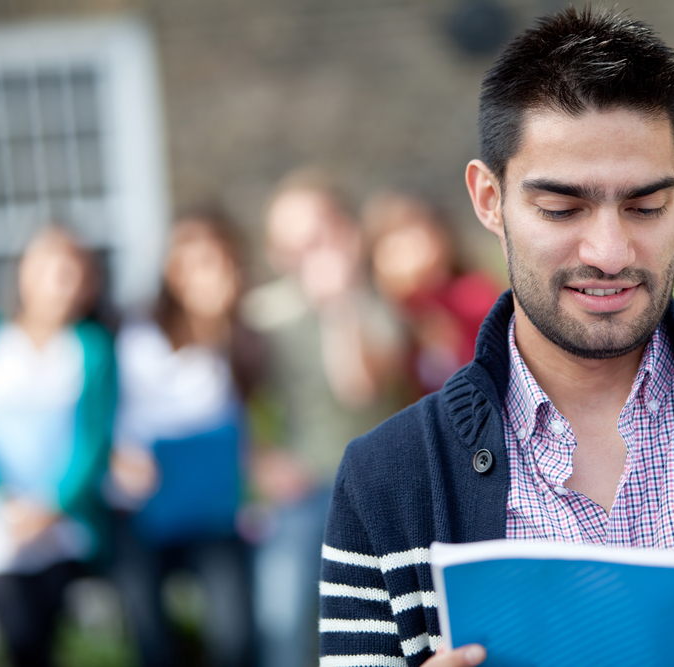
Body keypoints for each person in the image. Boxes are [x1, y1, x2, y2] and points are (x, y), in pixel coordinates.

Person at [319, 8, 674, 667]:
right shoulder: (385, 482)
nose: (608, 250)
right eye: (562, 207)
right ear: (489, 200)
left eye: (644, 205)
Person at [241, 169, 405, 667]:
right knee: (283, 620)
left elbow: (358, 387)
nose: (306, 251)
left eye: (317, 234)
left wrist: (340, 305)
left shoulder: (378, 308)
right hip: (304, 490)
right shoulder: (262, 314)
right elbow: (230, 397)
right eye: (291, 241)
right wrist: (261, 461)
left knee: (374, 628)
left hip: (377, 491)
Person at [0, 227, 115, 667]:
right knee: (17, 623)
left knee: (43, 618)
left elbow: (93, 443)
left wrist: (50, 507)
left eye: (70, 272)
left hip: (62, 522)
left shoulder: (91, 349)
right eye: (46, 268)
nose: (57, 282)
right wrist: (4, 503)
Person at [107, 212, 258, 667]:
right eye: (191, 264)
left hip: (212, 512)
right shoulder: (137, 336)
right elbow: (115, 420)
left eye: (215, 263)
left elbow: (250, 422)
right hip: (139, 506)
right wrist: (120, 459)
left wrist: (222, 327)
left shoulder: (241, 341)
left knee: (234, 635)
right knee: (150, 633)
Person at [362, 191, 500, 396]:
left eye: (414, 235)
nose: (409, 253)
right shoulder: (386, 316)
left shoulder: (472, 296)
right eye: (394, 246)